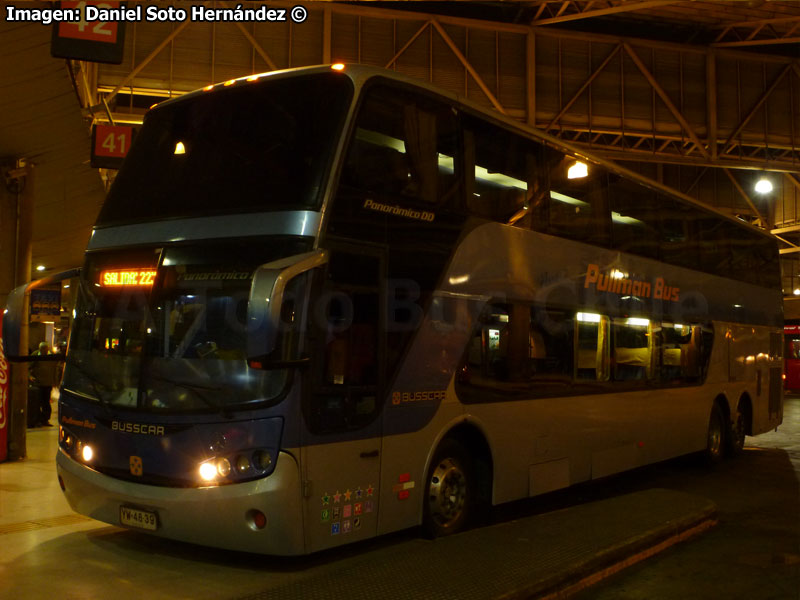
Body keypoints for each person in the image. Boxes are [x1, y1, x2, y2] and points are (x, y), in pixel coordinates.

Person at [29, 342, 58, 427]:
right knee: (37, 403)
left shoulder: (52, 356)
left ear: (47, 349)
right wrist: (30, 376)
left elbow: (55, 369)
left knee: (46, 402)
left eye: (44, 350)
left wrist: (55, 381)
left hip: (48, 383)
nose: (42, 352)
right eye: (41, 350)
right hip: (38, 383)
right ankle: (37, 420)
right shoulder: (35, 354)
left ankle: (45, 419)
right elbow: (28, 367)